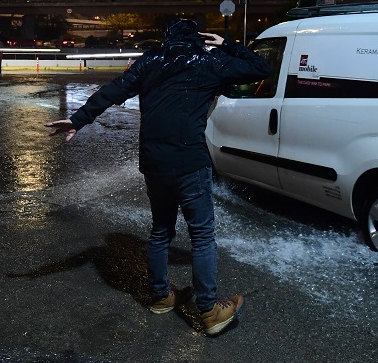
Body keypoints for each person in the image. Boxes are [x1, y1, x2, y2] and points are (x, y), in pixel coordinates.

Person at [45, 19, 270, 337]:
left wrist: (79, 119)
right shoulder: (210, 62)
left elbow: (113, 90)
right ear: (198, 40)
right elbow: (260, 68)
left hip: (154, 164)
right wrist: (227, 44)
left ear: (167, 39)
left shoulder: (150, 62)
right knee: (202, 236)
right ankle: (209, 309)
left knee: (161, 230)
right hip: (190, 162)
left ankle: (161, 296)